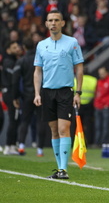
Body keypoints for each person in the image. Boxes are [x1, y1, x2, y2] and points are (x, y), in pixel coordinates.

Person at [33, 10, 84, 179]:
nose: (53, 23)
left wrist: (78, 92)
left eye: (56, 20)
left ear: (63, 23)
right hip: (47, 92)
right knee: (54, 130)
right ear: (46, 24)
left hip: (65, 91)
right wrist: (37, 93)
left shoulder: (72, 42)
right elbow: (37, 71)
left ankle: (63, 169)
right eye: (50, 20)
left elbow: (79, 67)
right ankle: (59, 167)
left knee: (64, 128)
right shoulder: (41, 45)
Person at [12, 37, 42, 156]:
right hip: (40, 94)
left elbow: (15, 80)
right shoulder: (41, 60)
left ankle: (21, 146)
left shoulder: (22, 61)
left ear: (24, 47)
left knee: (25, 120)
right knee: (40, 121)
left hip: (27, 95)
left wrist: (15, 97)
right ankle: (40, 149)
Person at [2, 41, 22, 155]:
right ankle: (9, 146)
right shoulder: (9, 62)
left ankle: (13, 145)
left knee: (15, 119)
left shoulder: (12, 61)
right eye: (14, 47)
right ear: (8, 50)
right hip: (10, 93)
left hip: (10, 92)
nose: (17, 48)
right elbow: (13, 82)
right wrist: (15, 97)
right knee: (13, 119)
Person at [93, 66, 109, 147]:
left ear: (107, 73)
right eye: (100, 74)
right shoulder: (99, 82)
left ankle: (104, 143)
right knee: (98, 126)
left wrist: (107, 105)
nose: (101, 75)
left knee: (105, 126)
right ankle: (97, 143)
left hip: (107, 108)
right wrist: (96, 104)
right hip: (98, 107)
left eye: (102, 73)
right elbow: (97, 93)